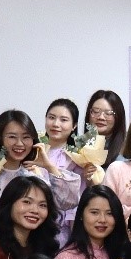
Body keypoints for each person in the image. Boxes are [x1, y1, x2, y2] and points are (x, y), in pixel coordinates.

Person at [0, 111, 81, 251]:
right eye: (12, 137)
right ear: (0, 137)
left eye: (26, 137)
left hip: (21, 254)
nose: (20, 143)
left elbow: (68, 201)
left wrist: (49, 166)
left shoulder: (33, 178)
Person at [42, 98, 90, 240]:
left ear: (74, 125)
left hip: (62, 228)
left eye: (63, 120)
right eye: (51, 117)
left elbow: (77, 198)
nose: (56, 124)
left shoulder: (79, 156)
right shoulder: (35, 149)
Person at [85, 90, 128, 170]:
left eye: (108, 113)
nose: (101, 117)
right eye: (96, 111)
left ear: (118, 117)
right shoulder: (81, 146)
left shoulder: (128, 148)